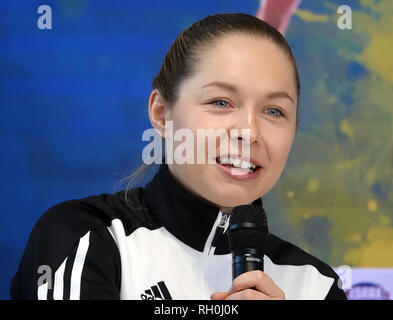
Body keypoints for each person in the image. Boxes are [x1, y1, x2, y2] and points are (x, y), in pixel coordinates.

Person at [10, 13, 347, 300]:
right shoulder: (86, 238)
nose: (250, 131)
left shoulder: (316, 286)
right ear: (161, 113)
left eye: (274, 110)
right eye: (221, 102)